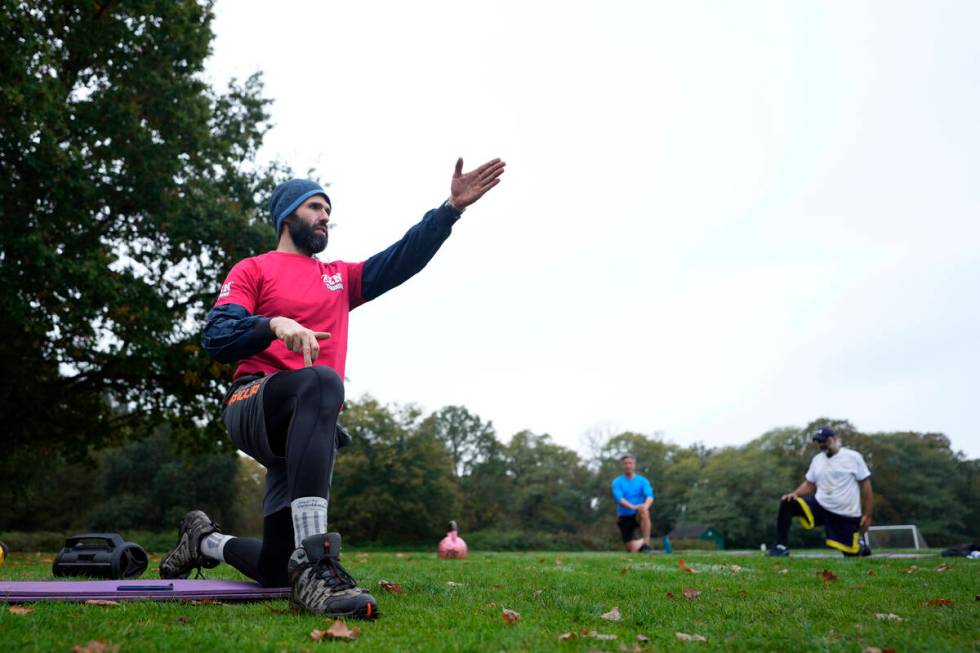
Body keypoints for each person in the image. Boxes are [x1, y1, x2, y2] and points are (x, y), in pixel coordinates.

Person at [159, 157, 506, 619]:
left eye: (329, 210)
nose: (326, 217)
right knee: (323, 381)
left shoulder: (339, 278)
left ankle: (203, 540)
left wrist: (449, 211)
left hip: (305, 425)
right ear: (288, 216)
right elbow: (217, 336)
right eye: (317, 207)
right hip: (252, 403)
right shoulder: (254, 270)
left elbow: (401, 258)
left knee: (273, 568)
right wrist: (275, 324)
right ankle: (318, 562)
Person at [769, 426, 873, 557]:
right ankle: (780, 546)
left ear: (834, 439)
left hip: (845, 513)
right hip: (820, 505)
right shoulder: (817, 460)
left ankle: (860, 545)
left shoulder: (853, 457)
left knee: (851, 554)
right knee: (787, 503)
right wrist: (795, 494)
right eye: (819, 442)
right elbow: (809, 484)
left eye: (824, 441)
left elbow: (866, 486)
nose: (822, 445)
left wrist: (868, 515)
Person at [611, 454, 656, 553]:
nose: (628, 466)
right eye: (625, 463)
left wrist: (645, 506)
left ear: (634, 465)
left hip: (638, 514)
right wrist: (633, 507)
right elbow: (619, 499)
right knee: (631, 549)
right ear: (622, 466)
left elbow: (650, 496)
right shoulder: (617, 482)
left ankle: (646, 545)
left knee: (645, 511)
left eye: (630, 463)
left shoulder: (643, 481)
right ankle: (642, 544)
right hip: (624, 517)